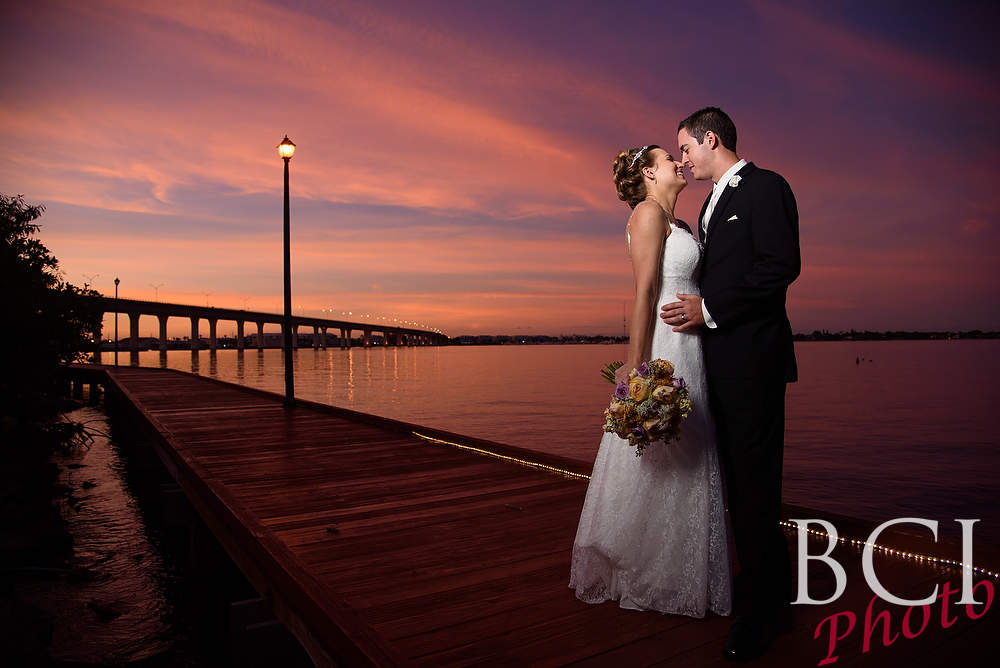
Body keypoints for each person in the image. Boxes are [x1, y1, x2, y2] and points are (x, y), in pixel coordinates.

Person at [569, 144, 732, 619]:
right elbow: (642, 292)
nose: (678, 163)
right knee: (656, 456)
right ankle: (641, 567)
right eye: (668, 159)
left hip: (691, 348)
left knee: (689, 453)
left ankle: (679, 572)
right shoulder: (647, 213)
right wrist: (636, 370)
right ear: (647, 173)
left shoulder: (681, 223)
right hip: (664, 348)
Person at [660, 107, 800, 661]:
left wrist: (710, 309)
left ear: (708, 138)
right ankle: (754, 590)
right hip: (717, 366)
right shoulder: (709, 202)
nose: (682, 158)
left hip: (755, 366)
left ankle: (767, 615)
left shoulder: (766, 187)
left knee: (756, 487)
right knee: (735, 485)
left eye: (685, 148)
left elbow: (780, 265)